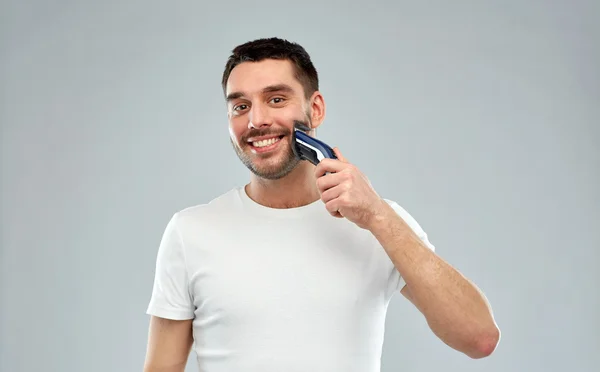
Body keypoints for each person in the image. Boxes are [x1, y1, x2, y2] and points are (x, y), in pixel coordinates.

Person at [143, 37, 500, 372]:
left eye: (277, 99)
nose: (256, 121)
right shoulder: (191, 232)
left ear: (315, 109)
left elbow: (478, 337)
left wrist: (376, 216)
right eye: (240, 106)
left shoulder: (376, 222)